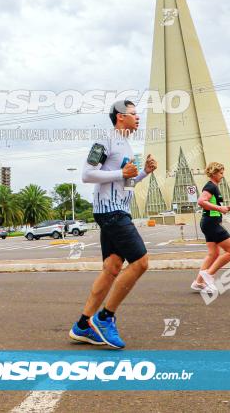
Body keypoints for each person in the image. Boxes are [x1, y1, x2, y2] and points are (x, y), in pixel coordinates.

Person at [69, 100, 157, 349]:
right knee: (141, 262)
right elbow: (87, 175)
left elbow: (126, 183)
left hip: (119, 209)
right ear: (120, 117)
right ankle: (105, 317)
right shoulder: (104, 140)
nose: (138, 117)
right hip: (111, 212)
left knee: (112, 267)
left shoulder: (127, 145)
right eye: (133, 114)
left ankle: (83, 325)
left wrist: (143, 173)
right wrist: (122, 173)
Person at [192, 161, 230, 291]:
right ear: (213, 173)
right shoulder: (210, 186)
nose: (222, 176)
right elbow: (201, 201)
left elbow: (215, 208)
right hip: (211, 223)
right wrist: (220, 208)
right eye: (220, 173)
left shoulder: (214, 187)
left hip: (209, 222)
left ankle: (198, 282)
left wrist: (229, 208)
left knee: (213, 254)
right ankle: (208, 274)